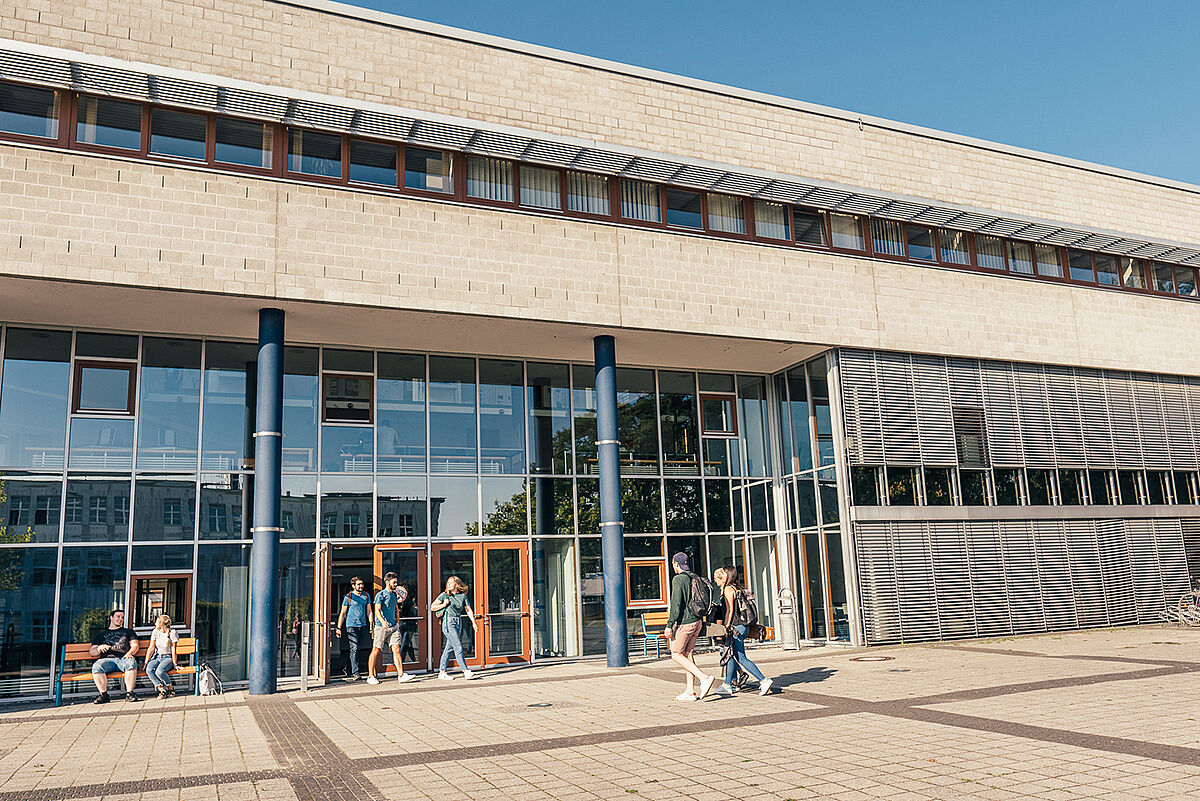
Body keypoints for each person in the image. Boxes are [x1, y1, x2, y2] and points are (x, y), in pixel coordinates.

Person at [663, 552, 716, 701]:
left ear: (676, 563)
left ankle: (704, 678)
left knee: (676, 654)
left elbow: (676, 604)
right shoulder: (694, 576)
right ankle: (690, 691)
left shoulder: (678, 579)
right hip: (697, 622)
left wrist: (669, 625)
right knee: (688, 654)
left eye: (673, 563)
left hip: (684, 623)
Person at [713, 566, 774, 697]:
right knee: (731, 655)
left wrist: (726, 626)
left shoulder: (728, 589)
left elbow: (729, 610)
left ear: (725, 577)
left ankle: (763, 680)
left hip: (736, 627)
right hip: (742, 626)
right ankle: (728, 684)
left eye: (717, 578)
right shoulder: (737, 588)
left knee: (740, 657)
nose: (715, 581)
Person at [367, 572, 418, 685]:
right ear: (387, 582)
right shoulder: (380, 595)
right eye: (394, 582)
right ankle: (370, 676)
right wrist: (382, 621)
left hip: (393, 627)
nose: (396, 584)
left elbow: (395, 608)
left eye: (396, 582)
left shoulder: (394, 595)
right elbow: (377, 610)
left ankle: (401, 675)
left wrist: (397, 621)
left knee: (396, 650)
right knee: (376, 650)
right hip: (381, 627)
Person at [89, 609, 140, 704]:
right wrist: (99, 648)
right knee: (97, 667)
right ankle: (103, 695)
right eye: (118, 616)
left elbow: (135, 646)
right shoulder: (101, 635)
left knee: (131, 663)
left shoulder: (128, 632)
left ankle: (130, 693)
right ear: (111, 617)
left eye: (122, 617)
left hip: (123, 658)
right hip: (107, 660)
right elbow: (92, 652)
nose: (120, 619)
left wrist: (129, 653)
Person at [431, 576, 476, 680]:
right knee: (458, 647)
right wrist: (443, 604)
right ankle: (466, 671)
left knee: (449, 648)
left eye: (451, 583)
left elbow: (468, 610)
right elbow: (432, 607)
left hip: (458, 622)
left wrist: (473, 622)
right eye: (448, 583)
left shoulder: (462, 596)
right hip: (448, 623)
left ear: (456, 584)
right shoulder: (445, 595)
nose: (449, 584)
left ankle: (442, 672)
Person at [334, 576, 371, 680]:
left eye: (362, 584)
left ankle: (347, 667)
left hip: (362, 625)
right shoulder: (349, 597)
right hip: (351, 626)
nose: (361, 586)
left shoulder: (366, 596)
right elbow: (343, 613)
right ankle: (356, 672)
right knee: (354, 648)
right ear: (353, 585)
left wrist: (371, 623)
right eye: (359, 584)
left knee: (356, 648)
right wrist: (338, 627)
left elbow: (369, 611)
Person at [144, 614, 179, 699]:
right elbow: (151, 647)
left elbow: (173, 649)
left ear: (161, 623)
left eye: (156, 621)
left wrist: (175, 664)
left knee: (159, 671)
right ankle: (161, 689)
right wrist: (146, 662)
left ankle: (170, 687)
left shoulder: (172, 632)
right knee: (149, 669)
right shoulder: (155, 632)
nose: (155, 623)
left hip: (168, 657)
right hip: (157, 657)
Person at [397, 582, 418, 664]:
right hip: (407, 623)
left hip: (407, 623)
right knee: (406, 643)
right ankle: (406, 662)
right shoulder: (408, 601)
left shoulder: (406, 601)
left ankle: (408, 662)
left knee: (406, 642)